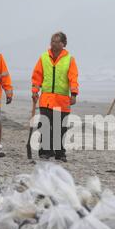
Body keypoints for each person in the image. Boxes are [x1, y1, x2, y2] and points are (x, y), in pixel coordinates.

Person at [31, 32, 79, 162]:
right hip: (46, 99)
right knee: (45, 125)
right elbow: (37, 76)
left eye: (57, 41)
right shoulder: (43, 57)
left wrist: (74, 94)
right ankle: (45, 151)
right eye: (52, 41)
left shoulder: (69, 59)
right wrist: (35, 90)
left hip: (62, 100)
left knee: (60, 128)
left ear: (64, 44)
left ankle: (59, 152)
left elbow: (73, 78)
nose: (54, 43)